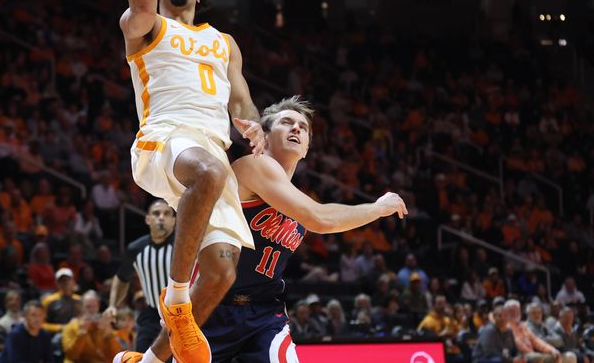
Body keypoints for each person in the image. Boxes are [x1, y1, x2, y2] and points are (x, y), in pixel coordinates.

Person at [117, 97, 407, 363]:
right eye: (286, 122)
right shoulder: (253, 166)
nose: (296, 128)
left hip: (263, 312)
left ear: (306, 148)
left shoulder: (292, 196)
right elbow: (320, 219)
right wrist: (379, 208)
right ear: (265, 136)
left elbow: (318, 216)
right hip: (213, 306)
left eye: (303, 127)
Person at [115, 0, 265, 363]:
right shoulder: (145, 27)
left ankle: (153, 360)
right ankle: (176, 299)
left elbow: (239, 101)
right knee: (210, 169)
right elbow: (138, 3)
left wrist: (253, 124)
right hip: (164, 140)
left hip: (210, 147)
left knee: (223, 270)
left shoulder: (224, 43)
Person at [104, 198, 175, 352]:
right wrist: (112, 305)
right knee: (141, 356)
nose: (161, 217)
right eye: (156, 214)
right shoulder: (136, 248)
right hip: (151, 315)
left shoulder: (184, 245)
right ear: (148, 220)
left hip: (180, 314)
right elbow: (122, 278)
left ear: (174, 221)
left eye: (166, 214)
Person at [61, 290, 122, 363]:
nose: (92, 310)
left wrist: (109, 335)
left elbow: (114, 356)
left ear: (99, 307)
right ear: (81, 308)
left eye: (95, 306)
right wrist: (81, 333)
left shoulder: (104, 326)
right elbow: (72, 356)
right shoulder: (71, 326)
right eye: (88, 307)